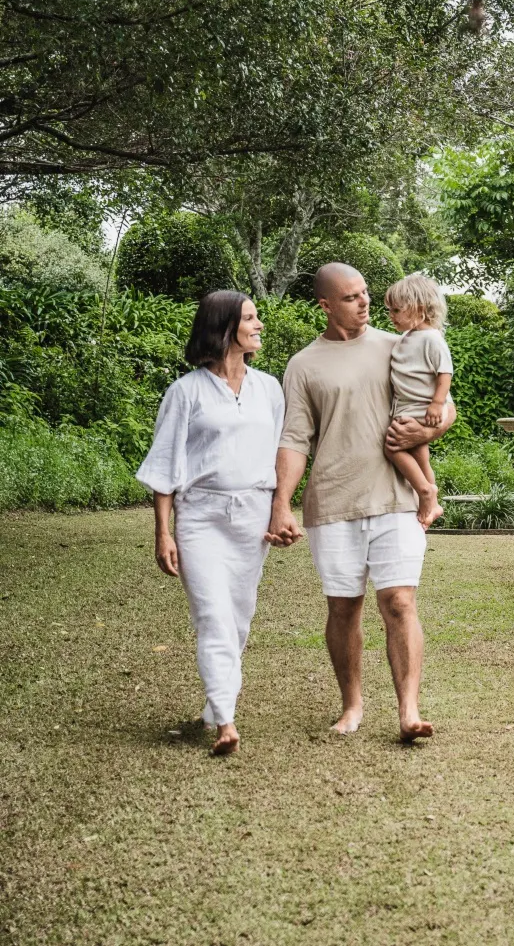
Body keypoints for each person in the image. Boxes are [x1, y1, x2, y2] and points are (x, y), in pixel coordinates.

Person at [267, 262, 455, 740]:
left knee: (398, 602)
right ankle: (352, 705)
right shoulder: (304, 364)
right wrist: (281, 504)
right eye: (351, 297)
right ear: (325, 306)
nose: (365, 302)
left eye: (366, 293)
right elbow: (294, 438)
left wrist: (434, 424)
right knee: (343, 608)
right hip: (332, 501)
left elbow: (442, 401)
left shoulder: (400, 344)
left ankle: (409, 711)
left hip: (397, 499)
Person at [138, 291, 286, 757]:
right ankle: (225, 720)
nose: (259, 325)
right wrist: (164, 531)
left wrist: (282, 510)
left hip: (253, 516)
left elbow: (281, 454)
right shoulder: (186, 392)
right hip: (200, 516)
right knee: (213, 616)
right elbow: (165, 464)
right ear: (223, 327)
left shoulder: (269, 389)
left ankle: (213, 703)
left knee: (239, 617)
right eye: (250, 318)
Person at [381, 272, 453, 530]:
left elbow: (445, 373)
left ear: (419, 309)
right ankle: (432, 501)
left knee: (393, 448)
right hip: (409, 408)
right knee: (421, 458)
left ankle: (424, 491)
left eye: (397, 310)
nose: (392, 316)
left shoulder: (432, 338)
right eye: (390, 310)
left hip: (422, 408)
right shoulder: (406, 338)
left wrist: (437, 403)